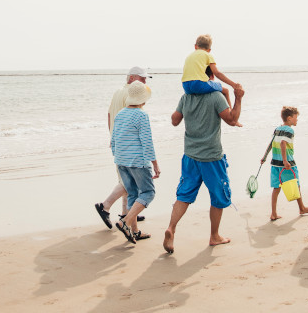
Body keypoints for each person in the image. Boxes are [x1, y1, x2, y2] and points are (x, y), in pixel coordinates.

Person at [162, 83, 245, 254]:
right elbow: (232, 120)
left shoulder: (186, 97)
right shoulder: (215, 97)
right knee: (218, 197)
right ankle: (214, 236)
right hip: (212, 158)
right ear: (211, 77)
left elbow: (174, 121)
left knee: (184, 195)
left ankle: (171, 228)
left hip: (190, 156)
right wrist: (238, 98)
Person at [95, 67, 150, 229]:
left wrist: (112, 136)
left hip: (117, 141)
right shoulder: (133, 95)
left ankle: (128, 214)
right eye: (143, 79)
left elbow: (109, 115)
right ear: (132, 78)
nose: (145, 82)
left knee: (125, 179)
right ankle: (105, 206)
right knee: (129, 180)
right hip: (128, 143)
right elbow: (137, 123)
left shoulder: (118, 92)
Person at [111, 81, 160, 243]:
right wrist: (155, 165)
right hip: (138, 162)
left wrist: (117, 157)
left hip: (121, 161)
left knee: (132, 194)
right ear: (143, 100)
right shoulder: (141, 115)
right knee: (148, 193)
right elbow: (147, 142)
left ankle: (135, 231)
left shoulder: (120, 114)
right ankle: (125, 222)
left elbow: (114, 140)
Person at [261, 106, 308, 221]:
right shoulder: (289, 130)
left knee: (276, 188)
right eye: (296, 118)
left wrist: (264, 157)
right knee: (296, 184)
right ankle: (302, 208)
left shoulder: (278, 128)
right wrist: (285, 161)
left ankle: (273, 213)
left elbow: (271, 143)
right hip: (287, 164)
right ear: (289, 118)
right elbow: (283, 143)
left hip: (275, 164)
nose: (297, 120)